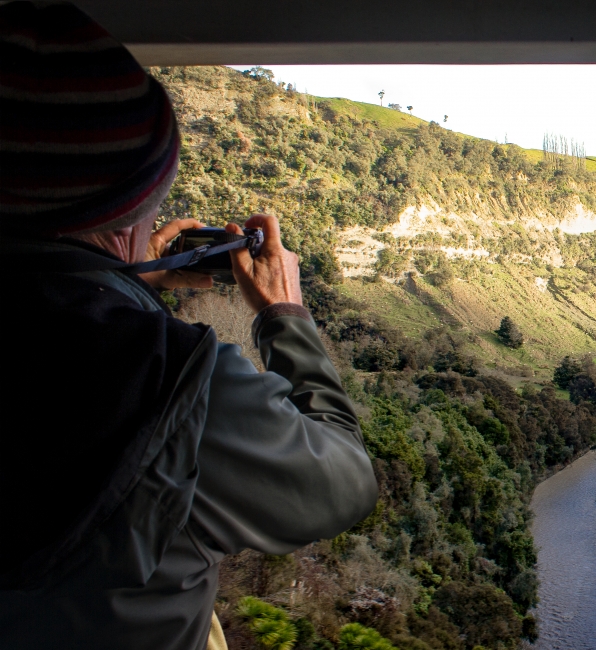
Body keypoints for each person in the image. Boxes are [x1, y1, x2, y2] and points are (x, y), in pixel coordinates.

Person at [0, 4, 378, 649]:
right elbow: (344, 483)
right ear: (129, 212)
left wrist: (120, 288)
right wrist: (285, 316)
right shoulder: (175, 380)